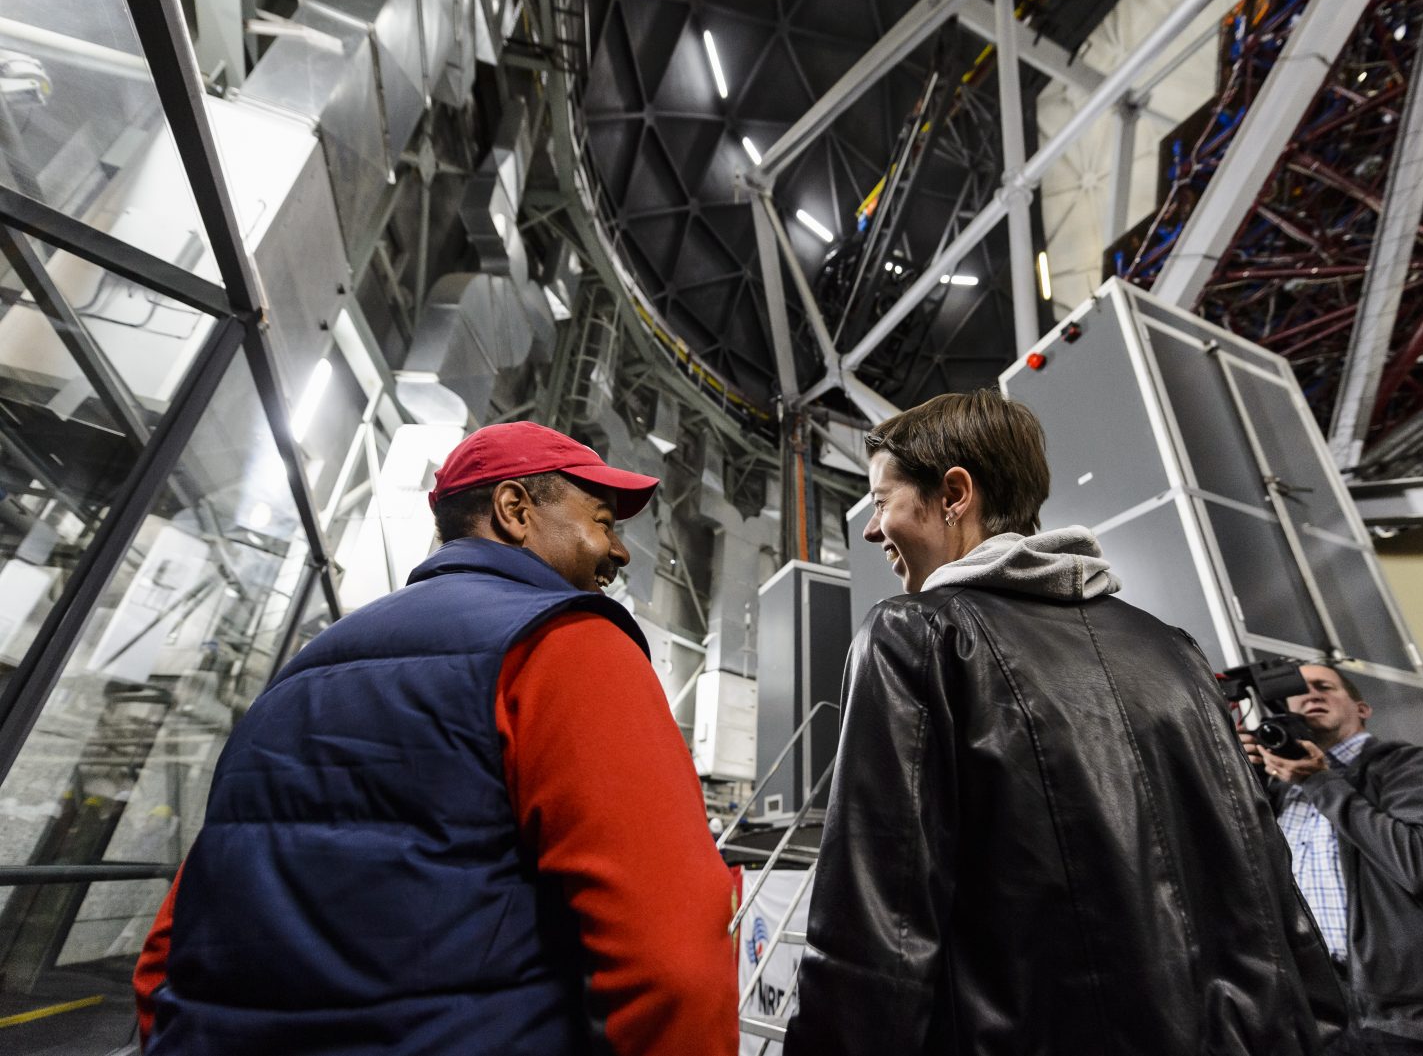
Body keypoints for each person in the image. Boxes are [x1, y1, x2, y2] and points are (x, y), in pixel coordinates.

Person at [132, 422, 738, 1056]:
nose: (619, 550)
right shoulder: (569, 646)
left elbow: (170, 946)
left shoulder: (302, 672)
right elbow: (674, 962)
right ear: (515, 511)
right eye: (603, 519)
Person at [782, 389, 1346, 1055]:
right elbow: (1271, 887)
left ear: (954, 493)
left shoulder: (917, 636)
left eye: (881, 501)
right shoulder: (1175, 650)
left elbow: (879, 932)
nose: (874, 530)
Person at [1243, 665, 1423, 1056]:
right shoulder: (1276, 792)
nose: (1311, 695)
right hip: (1325, 1022)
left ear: (1362, 708)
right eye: (1300, 691)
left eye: (1325, 687)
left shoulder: (1412, 768)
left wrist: (1319, 781)